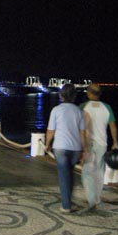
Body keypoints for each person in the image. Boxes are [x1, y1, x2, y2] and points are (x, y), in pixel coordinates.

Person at [45, 84, 85, 213]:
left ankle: (66, 206)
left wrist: (47, 144)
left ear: (61, 95)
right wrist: (84, 149)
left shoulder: (56, 110)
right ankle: (69, 201)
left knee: (63, 176)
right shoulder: (79, 111)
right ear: (74, 96)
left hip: (61, 147)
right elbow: (82, 132)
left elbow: (50, 130)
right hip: (75, 148)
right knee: (70, 174)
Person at [80, 83, 118, 210]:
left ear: (89, 93)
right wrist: (115, 142)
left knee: (87, 171)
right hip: (102, 143)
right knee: (99, 172)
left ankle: (91, 199)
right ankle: (96, 198)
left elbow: (80, 128)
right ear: (99, 94)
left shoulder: (83, 107)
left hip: (88, 143)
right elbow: (113, 126)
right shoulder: (107, 107)